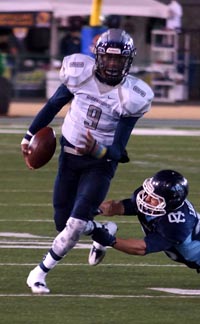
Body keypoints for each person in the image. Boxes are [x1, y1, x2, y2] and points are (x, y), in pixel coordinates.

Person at [21, 28, 154, 294]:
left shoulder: (131, 96)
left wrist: (97, 151)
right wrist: (29, 136)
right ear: (98, 57)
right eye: (109, 58)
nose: (113, 64)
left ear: (128, 61)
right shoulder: (79, 75)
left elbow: (118, 150)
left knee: (75, 224)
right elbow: (52, 106)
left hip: (100, 165)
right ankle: (103, 232)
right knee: (62, 222)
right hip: (68, 157)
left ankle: (39, 272)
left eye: (119, 60)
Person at [91, 169, 200, 273]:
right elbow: (118, 207)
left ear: (170, 203)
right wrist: (90, 210)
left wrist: (109, 240)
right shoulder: (152, 199)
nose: (146, 198)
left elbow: (141, 248)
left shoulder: (177, 225)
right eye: (148, 193)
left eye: (153, 198)